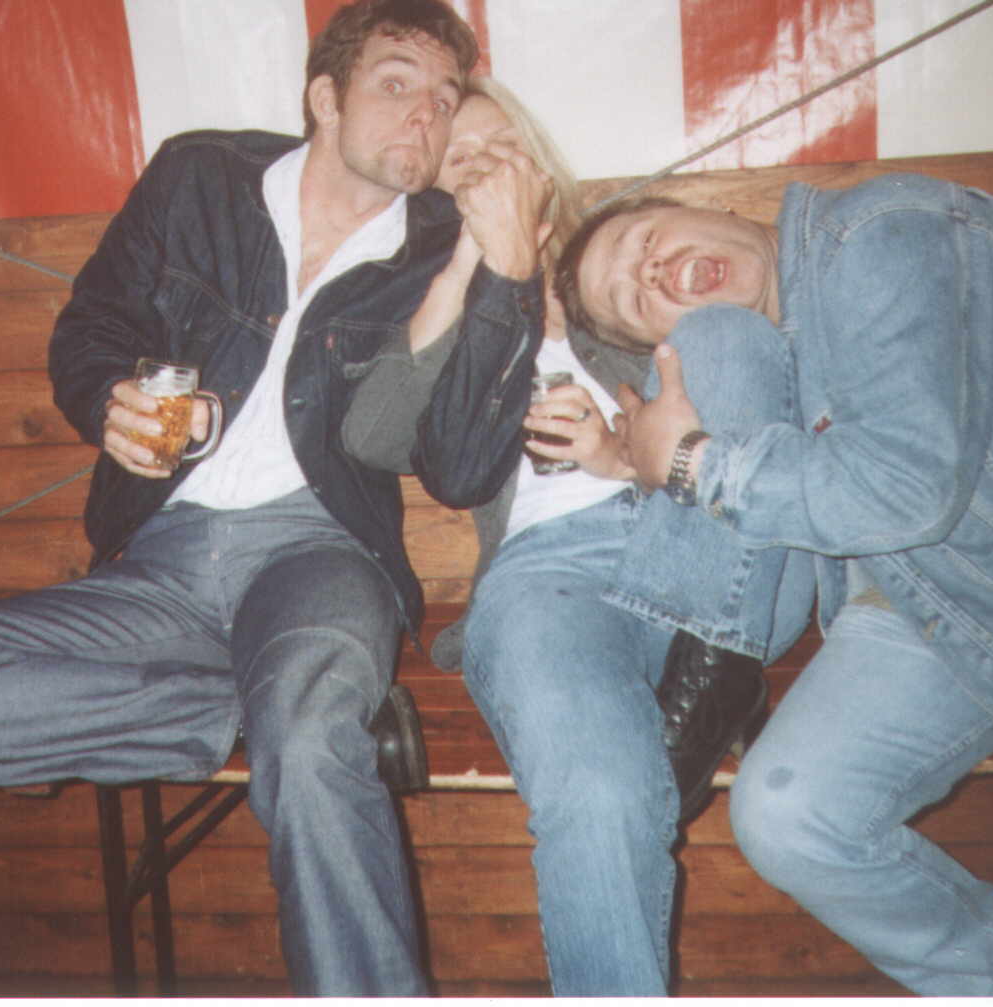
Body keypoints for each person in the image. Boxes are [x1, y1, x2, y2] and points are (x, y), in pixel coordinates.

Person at [0, 0, 553, 994]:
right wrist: (107, 400)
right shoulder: (198, 178)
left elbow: (459, 471)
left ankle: (292, 717)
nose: (425, 113)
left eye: (442, 95)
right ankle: (244, 705)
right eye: (396, 84)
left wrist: (507, 276)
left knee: (309, 739)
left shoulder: (440, 245)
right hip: (162, 563)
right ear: (324, 98)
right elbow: (91, 328)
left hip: (318, 556)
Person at [343, 78, 813, 994]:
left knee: (724, 338)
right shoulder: (454, 303)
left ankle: (709, 670)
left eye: (498, 147)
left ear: (536, 155)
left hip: (715, 546)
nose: (483, 169)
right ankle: (692, 723)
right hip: (550, 577)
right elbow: (374, 433)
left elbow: (754, 376)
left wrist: (627, 451)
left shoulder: (626, 261)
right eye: (457, 166)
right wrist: (476, 263)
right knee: (601, 790)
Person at [557, 176, 993, 995]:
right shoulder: (775, 355)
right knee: (788, 813)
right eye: (635, 299)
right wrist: (641, 461)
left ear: (712, 205)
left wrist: (693, 462)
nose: (649, 270)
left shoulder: (879, 233)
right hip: (942, 605)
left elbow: (908, 486)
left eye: (643, 240)